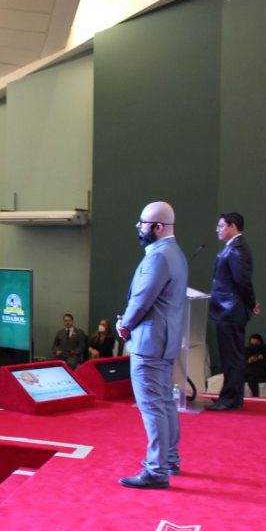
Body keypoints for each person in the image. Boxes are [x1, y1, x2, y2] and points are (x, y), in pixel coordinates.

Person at [116, 201, 188, 489]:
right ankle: (169, 460)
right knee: (164, 402)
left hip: (149, 343)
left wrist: (125, 324)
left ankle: (156, 470)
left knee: (152, 407)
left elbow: (142, 299)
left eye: (142, 223)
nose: (138, 227)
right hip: (166, 341)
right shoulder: (177, 254)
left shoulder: (158, 257)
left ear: (158, 227)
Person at [208, 211, 259, 411]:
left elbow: (243, 281)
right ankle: (229, 396)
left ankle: (230, 399)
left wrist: (251, 303)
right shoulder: (233, 247)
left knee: (232, 357)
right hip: (227, 310)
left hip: (231, 311)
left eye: (221, 226)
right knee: (229, 357)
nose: (217, 230)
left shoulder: (238, 249)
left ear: (233, 226)